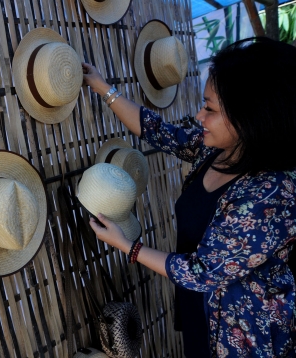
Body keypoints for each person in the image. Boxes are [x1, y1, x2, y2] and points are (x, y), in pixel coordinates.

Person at [82, 37, 296, 357]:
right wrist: (103, 88)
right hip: (202, 313)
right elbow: (158, 130)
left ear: (249, 117)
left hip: (245, 339)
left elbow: (202, 271)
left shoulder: (272, 194)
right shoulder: (216, 150)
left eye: (209, 108)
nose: (199, 116)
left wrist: (129, 246)